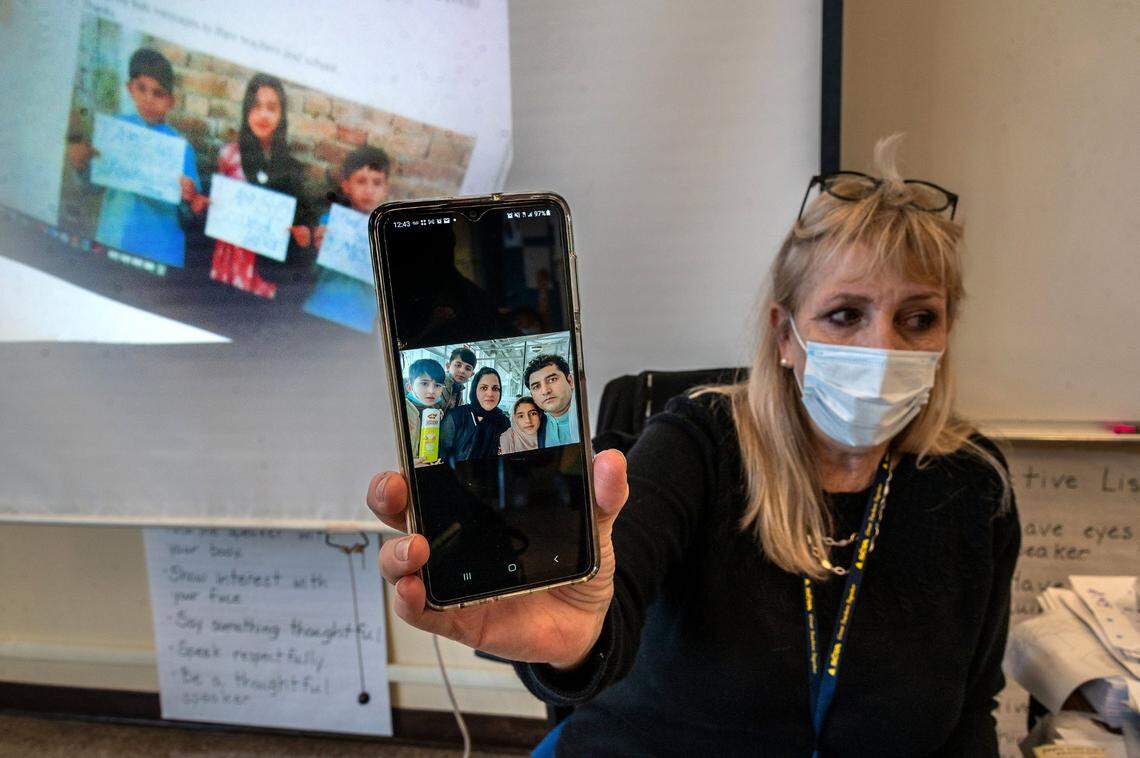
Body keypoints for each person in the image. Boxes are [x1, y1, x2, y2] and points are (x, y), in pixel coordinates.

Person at [366, 135, 1020, 756]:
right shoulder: (697, 441)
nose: (882, 348)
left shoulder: (975, 485)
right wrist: (573, 645)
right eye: (846, 315)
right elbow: (607, 617)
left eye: (918, 319)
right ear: (785, 336)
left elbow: (968, 714)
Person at [66, 48, 207, 267]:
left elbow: (191, 209)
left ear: (171, 101)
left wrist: (188, 196)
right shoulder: (115, 131)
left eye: (158, 93)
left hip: (158, 249)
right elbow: (93, 187)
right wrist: (82, 166)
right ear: (130, 88)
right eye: (142, 89)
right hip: (115, 240)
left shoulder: (181, 148)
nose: (148, 99)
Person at [208, 73, 313, 301]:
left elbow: (298, 223)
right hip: (229, 260)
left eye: (272, 108)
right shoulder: (229, 156)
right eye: (256, 106)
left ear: (281, 115)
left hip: (264, 269)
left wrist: (302, 233)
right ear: (246, 110)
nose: (263, 114)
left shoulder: (289, 168)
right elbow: (215, 208)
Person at [302, 145, 392, 331]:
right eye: (361, 181)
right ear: (346, 185)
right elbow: (306, 273)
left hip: (360, 324)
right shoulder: (328, 222)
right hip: (318, 311)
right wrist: (313, 248)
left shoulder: (388, 233)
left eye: (377, 183)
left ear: (386, 188)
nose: (369, 190)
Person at [438, 367, 510, 465]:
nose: (490, 393)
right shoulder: (456, 417)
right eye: (484, 388)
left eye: (495, 388)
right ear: (474, 389)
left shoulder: (503, 422)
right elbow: (440, 456)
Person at [525, 354, 580, 448]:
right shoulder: (534, 427)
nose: (545, 391)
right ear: (532, 396)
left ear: (570, 381)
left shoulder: (593, 417)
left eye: (552, 380)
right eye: (536, 386)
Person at [403, 358, 445, 462]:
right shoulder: (400, 411)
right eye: (424, 383)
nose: (431, 391)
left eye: (437, 385)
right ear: (409, 387)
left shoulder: (434, 412)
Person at [439, 347, 476, 412]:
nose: (462, 371)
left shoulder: (458, 388)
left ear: (471, 374)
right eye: (458, 365)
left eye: (468, 368)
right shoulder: (438, 384)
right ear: (448, 366)